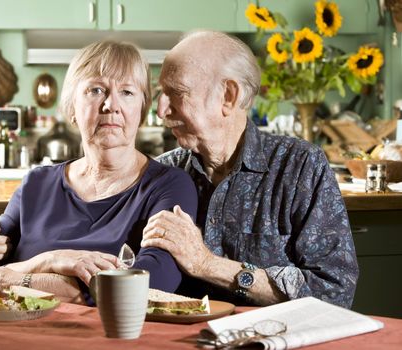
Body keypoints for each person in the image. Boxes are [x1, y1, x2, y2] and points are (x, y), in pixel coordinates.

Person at [0, 40, 197, 303]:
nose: (111, 105)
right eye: (96, 90)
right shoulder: (36, 185)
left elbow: (152, 281)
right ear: (72, 107)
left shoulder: (168, 186)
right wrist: (52, 260)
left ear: (142, 111)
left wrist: (20, 277)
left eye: (127, 92)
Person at [140, 30, 359, 308]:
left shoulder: (300, 166)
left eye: (178, 93)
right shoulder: (165, 173)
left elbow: (334, 292)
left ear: (228, 96)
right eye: (162, 93)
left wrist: (206, 264)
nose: (161, 110)